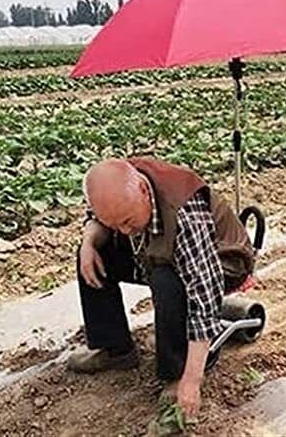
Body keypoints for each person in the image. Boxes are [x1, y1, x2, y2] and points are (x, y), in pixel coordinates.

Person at [68, 155, 255, 421]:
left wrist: (192, 379)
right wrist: (89, 243)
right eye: (116, 224)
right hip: (156, 252)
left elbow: (203, 297)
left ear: (144, 191)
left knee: (167, 281)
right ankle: (115, 349)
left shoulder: (185, 213)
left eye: (128, 220)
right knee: (97, 250)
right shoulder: (122, 183)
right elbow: (98, 218)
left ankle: (176, 372)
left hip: (221, 263)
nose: (124, 230)